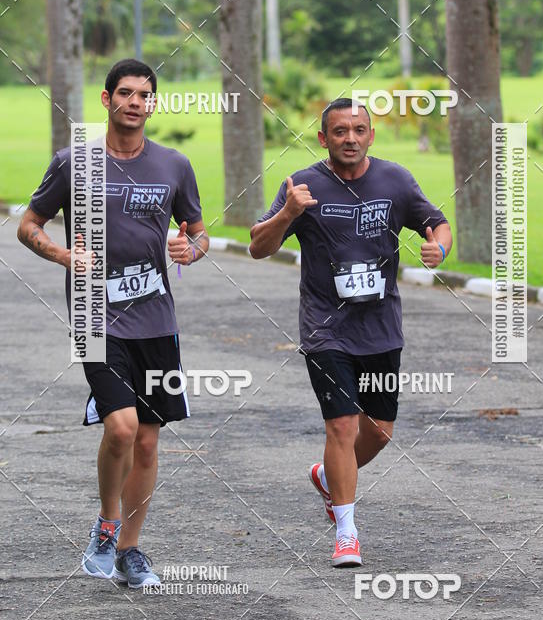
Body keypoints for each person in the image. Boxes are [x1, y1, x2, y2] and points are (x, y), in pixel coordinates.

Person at [17, 58, 209, 589]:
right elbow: (28, 225)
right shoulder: (73, 163)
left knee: (147, 441)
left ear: (153, 103)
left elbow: (198, 231)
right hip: (95, 317)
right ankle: (106, 524)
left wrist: (188, 248)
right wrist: (61, 255)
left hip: (155, 319)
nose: (134, 102)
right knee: (121, 427)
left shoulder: (173, 165)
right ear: (106, 100)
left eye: (143, 95)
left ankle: (130, 550)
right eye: (124, 93)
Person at [249, 98, 452, 567]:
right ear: (324, 138)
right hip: (326, 329)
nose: (350, 138)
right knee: (340, 424)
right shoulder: (301, 184)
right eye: (339, 131)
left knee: (378, 432)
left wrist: (438, 246)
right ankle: (346, 532)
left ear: (371, 136)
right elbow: (258, 246)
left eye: (359, 129)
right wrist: (287, 214)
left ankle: (327, 476)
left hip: (381, 328)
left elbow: (436, 222)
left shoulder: (394, 180)